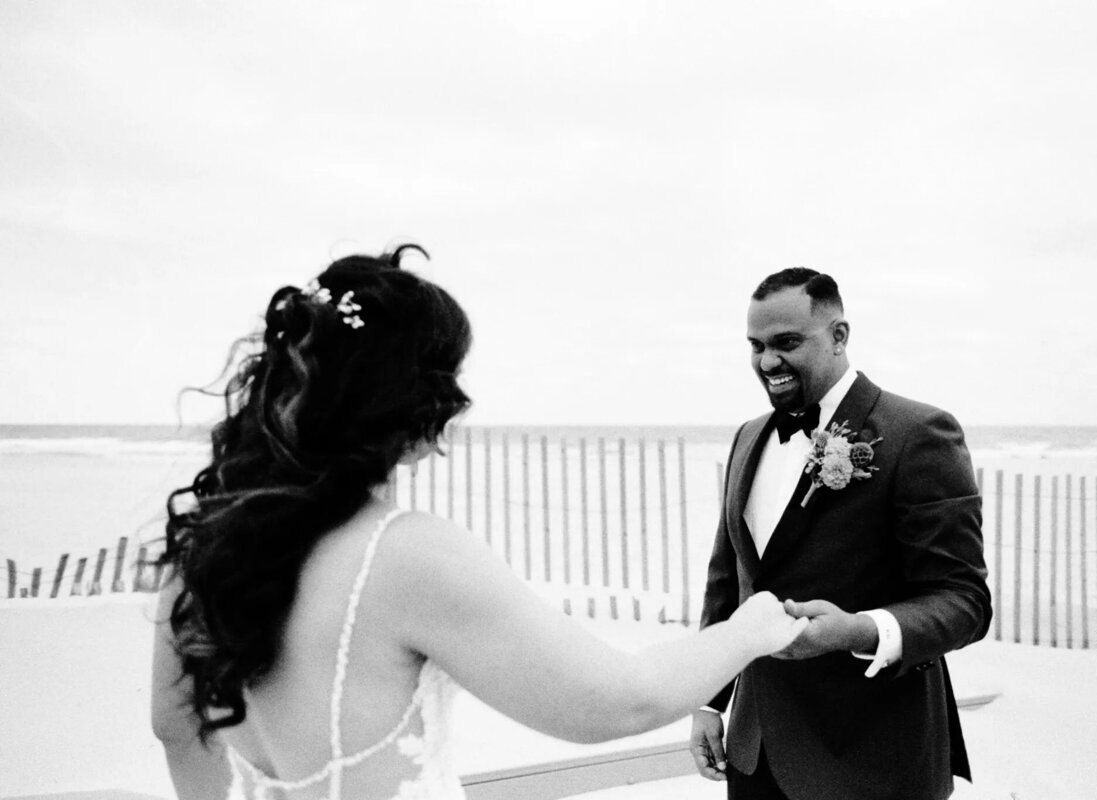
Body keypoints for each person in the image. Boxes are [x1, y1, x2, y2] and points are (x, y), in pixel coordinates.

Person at [150, 244, 810, 800]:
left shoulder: (204, 553)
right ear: (412, 409)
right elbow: (617, 699)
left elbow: (174, 729)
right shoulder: (403, 554)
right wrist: (748, 630)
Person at [689, 267, 992, 800]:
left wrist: (857, 631)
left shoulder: (918, 434)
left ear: (838, 336)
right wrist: (710, 701)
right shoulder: (748, 437)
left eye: (786, 343)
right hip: (754, 753)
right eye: (755, 346)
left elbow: (964, 601)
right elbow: (728, 580)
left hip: (872, 760)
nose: (767, 362)